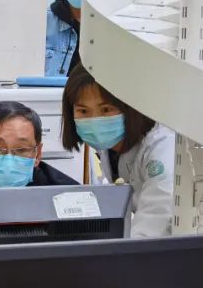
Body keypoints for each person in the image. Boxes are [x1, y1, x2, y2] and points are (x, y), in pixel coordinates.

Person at [60, 64, 175, 238]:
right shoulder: (111, 148)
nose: (95, 120)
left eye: (106, 109)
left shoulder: (162, 146)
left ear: (129, 107)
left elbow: (157, 220)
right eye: (83, 111)